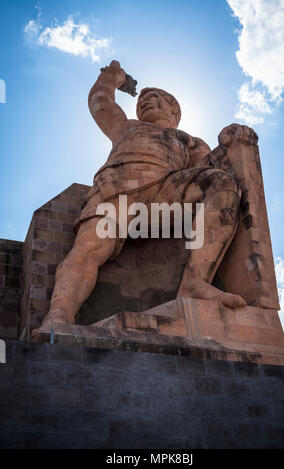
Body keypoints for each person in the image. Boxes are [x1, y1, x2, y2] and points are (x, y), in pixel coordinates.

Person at [41, 60, 246, 327]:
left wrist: (237, 142)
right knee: (88, 249)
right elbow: (100, 102)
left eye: (154, 98)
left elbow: (207, 170)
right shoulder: (127, 126)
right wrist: (111, 75)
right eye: (141, 101)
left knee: (222, 184)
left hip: (165, 192)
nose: (144, 103)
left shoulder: (189, 140)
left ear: (173, 107)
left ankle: (195, 282)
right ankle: (59, 315)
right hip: (115, 190)